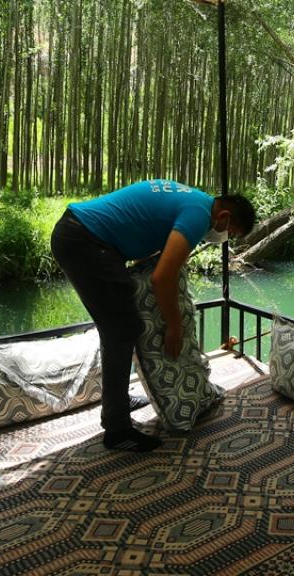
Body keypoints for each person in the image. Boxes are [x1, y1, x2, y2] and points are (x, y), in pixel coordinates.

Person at [51, 179, 256, 452]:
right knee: (121, 330)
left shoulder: (196, 201)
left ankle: (119, 403)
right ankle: (117, 430)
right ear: (224, 216)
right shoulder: (198, 216)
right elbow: (163, 278)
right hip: (85, 241)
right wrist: (174, 327)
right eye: (231, 231)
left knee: (121, 327)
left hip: (84, 235)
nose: (226, 236)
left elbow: (150, 237)